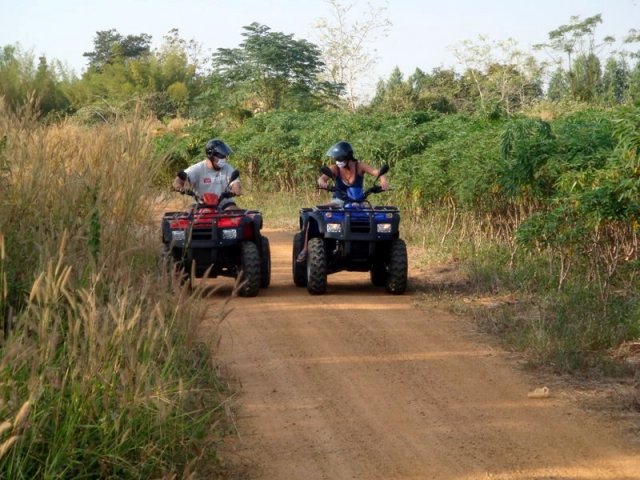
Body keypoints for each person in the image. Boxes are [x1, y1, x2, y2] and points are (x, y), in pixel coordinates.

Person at [296, 141, 390, 262]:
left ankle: (381, 251)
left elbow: (376, 172)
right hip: (339, 201)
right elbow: (322, 178)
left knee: (381, 218)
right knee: (312, 214)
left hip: (359, 202)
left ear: (348, 156)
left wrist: (383, 180)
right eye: (336, 158)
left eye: (339, 158)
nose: (337, 160)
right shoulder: (334, 168)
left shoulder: (359, 166)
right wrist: (322, 182)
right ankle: (305, 249)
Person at [172, 138, 241, 210]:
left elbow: (235, 183)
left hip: (225, 204)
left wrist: (235, 190)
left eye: (224, 156)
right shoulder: (197, 168)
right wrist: (180, 188)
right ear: (211, 155)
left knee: (232, 210)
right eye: (221, 156)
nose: (224, 159)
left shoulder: (228, 168)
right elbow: (178, 180)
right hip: (202, 203)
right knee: (189, 211)